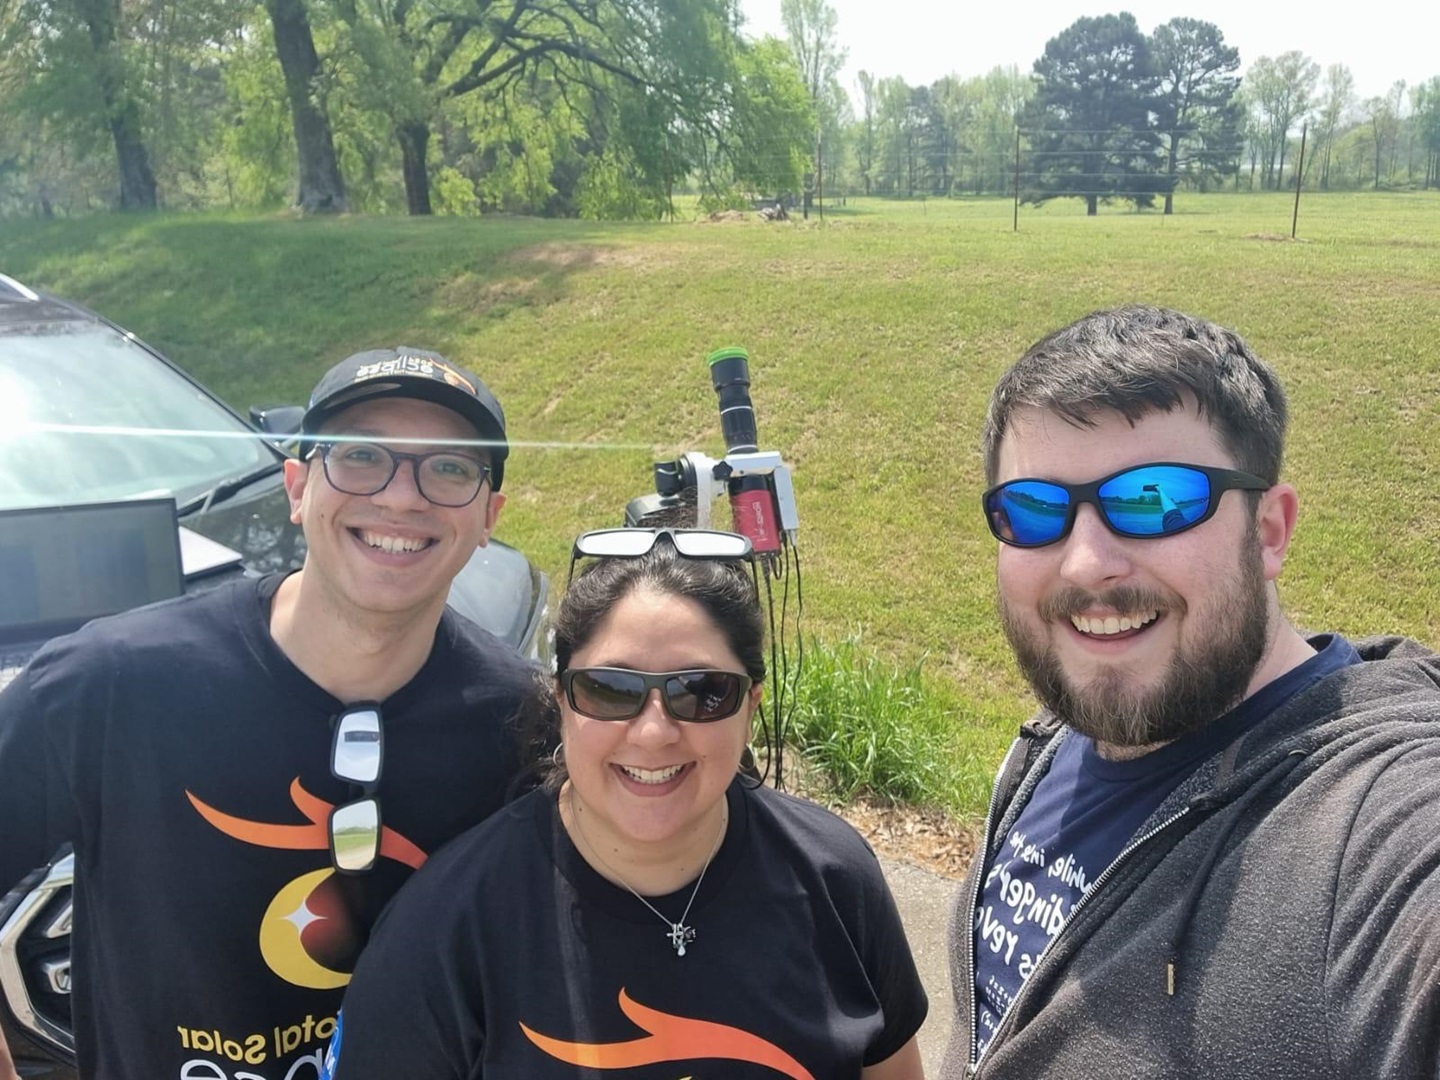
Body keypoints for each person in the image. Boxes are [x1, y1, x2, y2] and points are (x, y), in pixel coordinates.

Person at [0, 347, 539, 1080]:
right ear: (296, 486)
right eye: (359, 456)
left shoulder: (520, 723)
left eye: (449, 468)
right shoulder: (111, 685)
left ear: (488, 518)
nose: (402, 498)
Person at [941, 306, 1440, 1079]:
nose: (1085, 566)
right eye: (1035, 510)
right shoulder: (1052, 745)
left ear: (1269, 531)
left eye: (1154, 499)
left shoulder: (1375, 824)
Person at [324, 529, 929, 1079]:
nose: (654, 732)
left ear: (751, 705)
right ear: (562, 700)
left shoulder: (835, 878)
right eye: (611, 690)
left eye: (703, 692)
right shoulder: (447, 932)